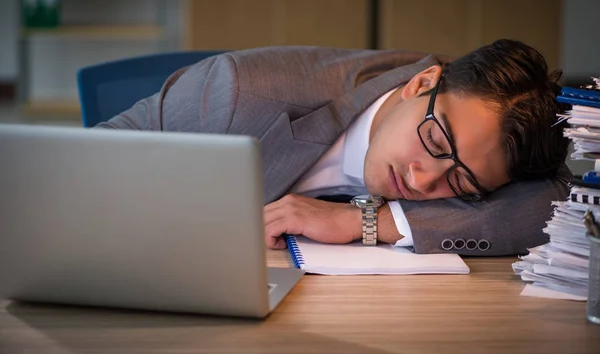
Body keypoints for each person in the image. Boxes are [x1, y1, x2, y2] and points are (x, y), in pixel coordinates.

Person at [96, 39, 571, 256]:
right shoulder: (238, 95)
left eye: (460, 182)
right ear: (421, 83)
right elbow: (88, 160)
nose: (424, 179)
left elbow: (564, 205)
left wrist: (363, 223)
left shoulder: (476, 126)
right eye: (433, 142)